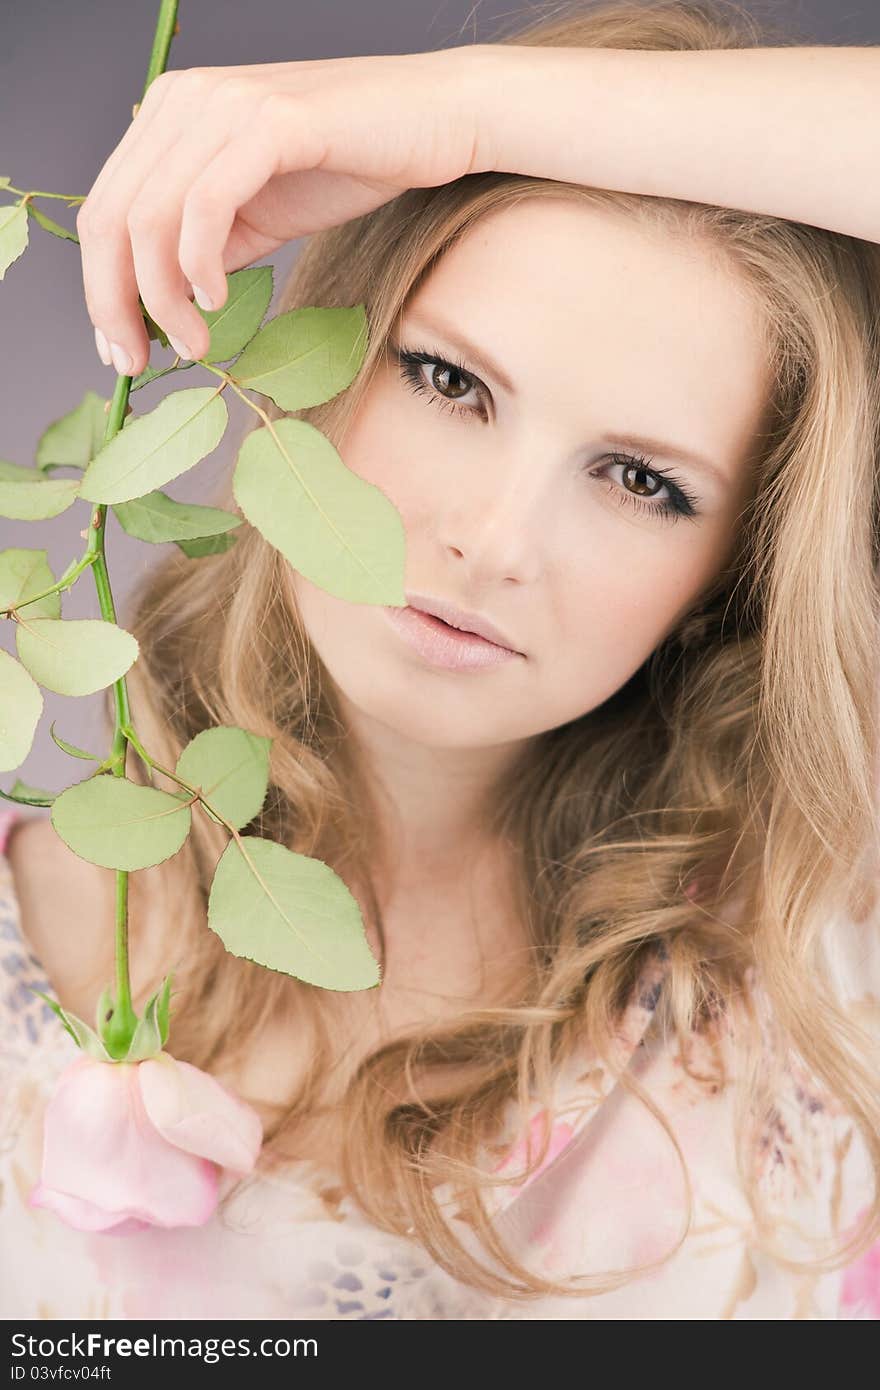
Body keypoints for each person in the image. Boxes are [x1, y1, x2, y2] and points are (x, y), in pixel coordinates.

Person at [2, 0, 879, 1319]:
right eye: (449, 381)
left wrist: (462, 108)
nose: (493, 540)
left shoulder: (799, 984)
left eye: (640, 479)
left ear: (731, 575)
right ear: (309, 370)